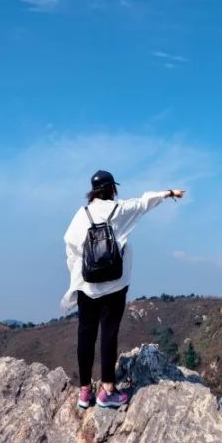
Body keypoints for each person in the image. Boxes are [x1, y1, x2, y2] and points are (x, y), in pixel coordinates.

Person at [61, 170, 185, 409]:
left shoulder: (81, 215)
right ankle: (107, 390)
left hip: (87, 286)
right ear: (111, 189)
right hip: (116, 285)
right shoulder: (120, 210)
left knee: (85, 336)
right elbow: (145, 201)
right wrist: (170, 193)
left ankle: (85, 392)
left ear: (93, 192)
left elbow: (71, 247)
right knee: (109, 334)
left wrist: (80, 277)